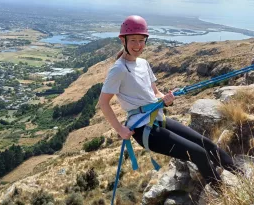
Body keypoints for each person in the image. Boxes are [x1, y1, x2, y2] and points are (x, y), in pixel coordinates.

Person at [99, 15, 240, 191]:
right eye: (133, 40)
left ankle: (241, 175)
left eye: (142, 40)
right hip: (144, 130)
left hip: (158, 118)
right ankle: (224, 193)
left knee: (208, 144)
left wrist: (166, 99)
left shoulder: (143, 63)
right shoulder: (118, 70)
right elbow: (103, 103)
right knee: (199, 153)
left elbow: (155, 93)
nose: (138, 45)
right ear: (123, 40)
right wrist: (120, 129)